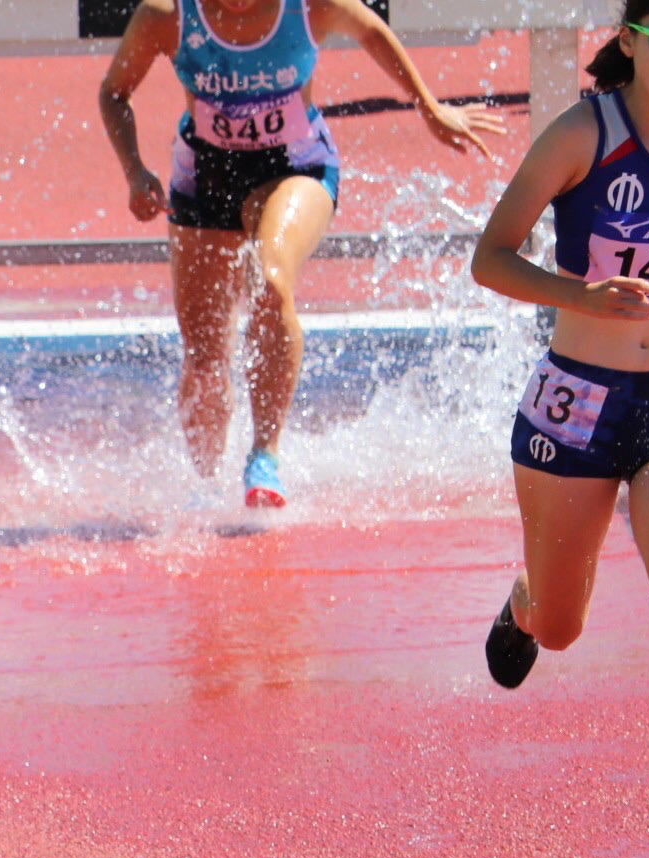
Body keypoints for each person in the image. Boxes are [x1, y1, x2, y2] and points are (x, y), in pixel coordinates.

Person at [98, 0, 502, 505]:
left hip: (295, 165)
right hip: (205, 176)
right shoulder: (168, 15)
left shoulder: (310, 6)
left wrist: (429, 106)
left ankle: (265, 456)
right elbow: (114, 93)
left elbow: (372, 30)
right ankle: (203, 487)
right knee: (204, 355)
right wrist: (135, 170)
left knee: (271, 278)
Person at [474, 1, 649, 858]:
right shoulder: (585, 133)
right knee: (561, 628)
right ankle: (528, 597)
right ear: (632, 43)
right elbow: (490, 257)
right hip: (577, 405)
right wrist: (584, 296)